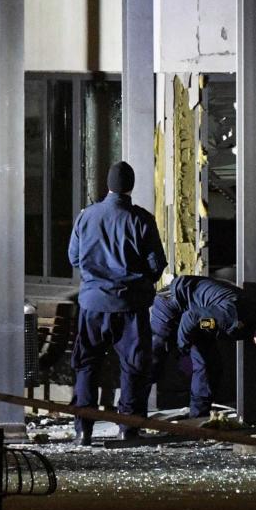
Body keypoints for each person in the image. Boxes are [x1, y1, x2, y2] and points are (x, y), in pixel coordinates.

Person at [68, 161, 166, 446]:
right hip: (130, 306)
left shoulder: (85, 217)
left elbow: (74, 258)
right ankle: (128, 427)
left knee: (86, 365)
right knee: (134, 366)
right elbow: (156, 266)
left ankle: (83, 429)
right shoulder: (141, 219)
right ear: (131, 186)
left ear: (108, 185)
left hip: (92, 305)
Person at [146, 274, 256, 418]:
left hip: (199, 313)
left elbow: (199, 322)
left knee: (208, 367)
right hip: (171, 303)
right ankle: (132, 413)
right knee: (156, 357)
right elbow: (191, 319)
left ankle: (198, 419)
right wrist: (183, 349)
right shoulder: (229, 317)